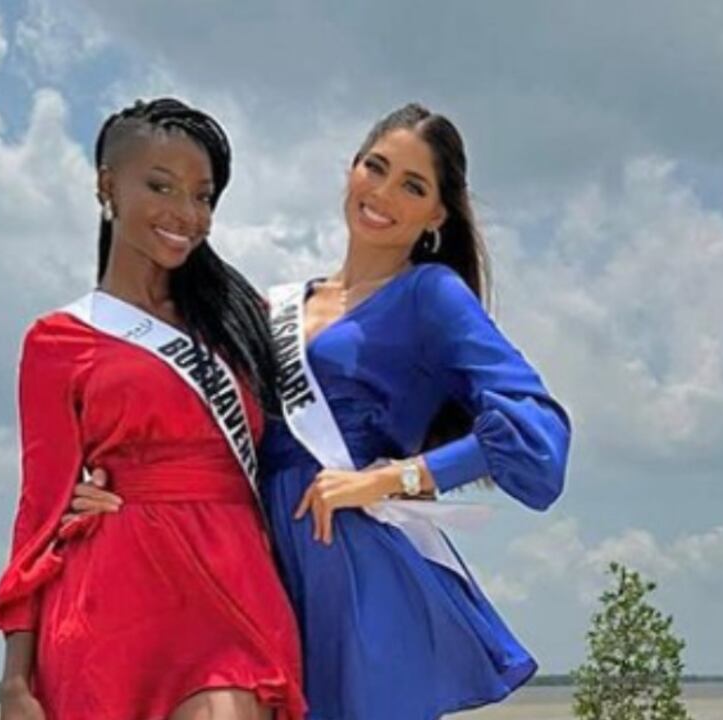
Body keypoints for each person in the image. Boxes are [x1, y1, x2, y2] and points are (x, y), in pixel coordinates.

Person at [71, 102, 571, 720]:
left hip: (354, 563)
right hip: (261, 563)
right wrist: (102, 481)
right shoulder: (273, 304)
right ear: (352, 168)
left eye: (412, 186)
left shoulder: (430, 295)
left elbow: (535, 426)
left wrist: (392, 479)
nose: (383, 192)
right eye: (376, 167)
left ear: (437, 215)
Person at [0, 98, 305, 720]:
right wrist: (15, 682)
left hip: (235, 583)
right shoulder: (58, 341)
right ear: (108, 187)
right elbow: (40, 508)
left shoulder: (244, 324)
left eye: (203, 196)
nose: (186, 213)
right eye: (161, 187)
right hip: (114, 596)